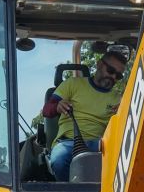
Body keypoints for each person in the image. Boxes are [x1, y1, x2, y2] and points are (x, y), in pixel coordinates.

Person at [44, 46, 129, 181]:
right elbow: (47, 110)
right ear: (99, 64)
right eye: (111, 71)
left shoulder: (119, 99)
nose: (113, 77)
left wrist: (124, 112)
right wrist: (58, 106)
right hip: (69, 143)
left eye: (118, 76)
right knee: (59, 160)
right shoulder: (72, 84)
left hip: (101, 145)